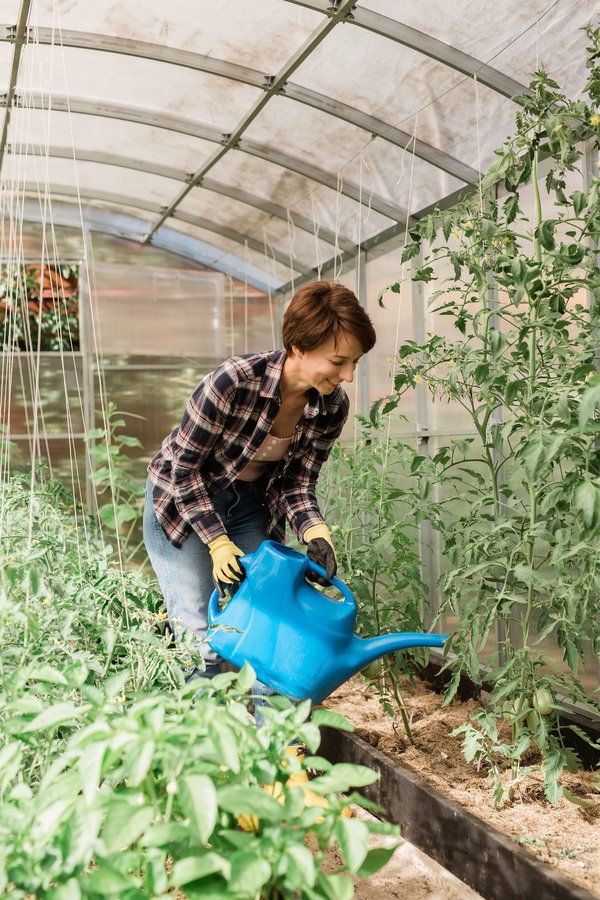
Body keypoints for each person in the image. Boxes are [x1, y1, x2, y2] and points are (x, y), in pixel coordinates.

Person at [143, 280, 376, 712]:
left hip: (250, 504)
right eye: (339, 361)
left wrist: (316, 533)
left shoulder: (331, 407)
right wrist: (216, 542)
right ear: (299, 346)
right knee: (200, 628)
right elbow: (184, 468)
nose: (347, 376)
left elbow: (297, 483)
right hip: (182, 500)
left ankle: (270, 749)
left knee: (271, 617)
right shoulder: (232, 383)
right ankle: (206, 747)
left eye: (354, 363)